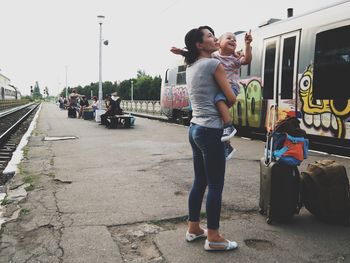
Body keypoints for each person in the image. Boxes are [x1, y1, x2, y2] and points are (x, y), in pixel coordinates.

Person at [181, 26, 237, 251]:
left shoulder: (191, 66)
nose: (214, 39)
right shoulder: (214, 64)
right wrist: (221, 98)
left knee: (200, 182)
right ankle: (213, 237)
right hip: (210, 129)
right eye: (210, 36)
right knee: (215, 184)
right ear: (199, 45)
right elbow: (232, 98)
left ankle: (193, 228)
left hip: (195, 128)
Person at [171, 30, 252, 160]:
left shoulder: (233, 59)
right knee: (219, 109)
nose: (233, 40)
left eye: (235, 40)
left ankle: (228, 125)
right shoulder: (213, 57)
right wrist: (181, 51)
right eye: (229, 38)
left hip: (232, 87)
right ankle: (227, 143)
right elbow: (196, 53)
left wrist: (247, 44)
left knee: (219, 101)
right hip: (219, 96)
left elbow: (247, 60)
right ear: (219, 43)